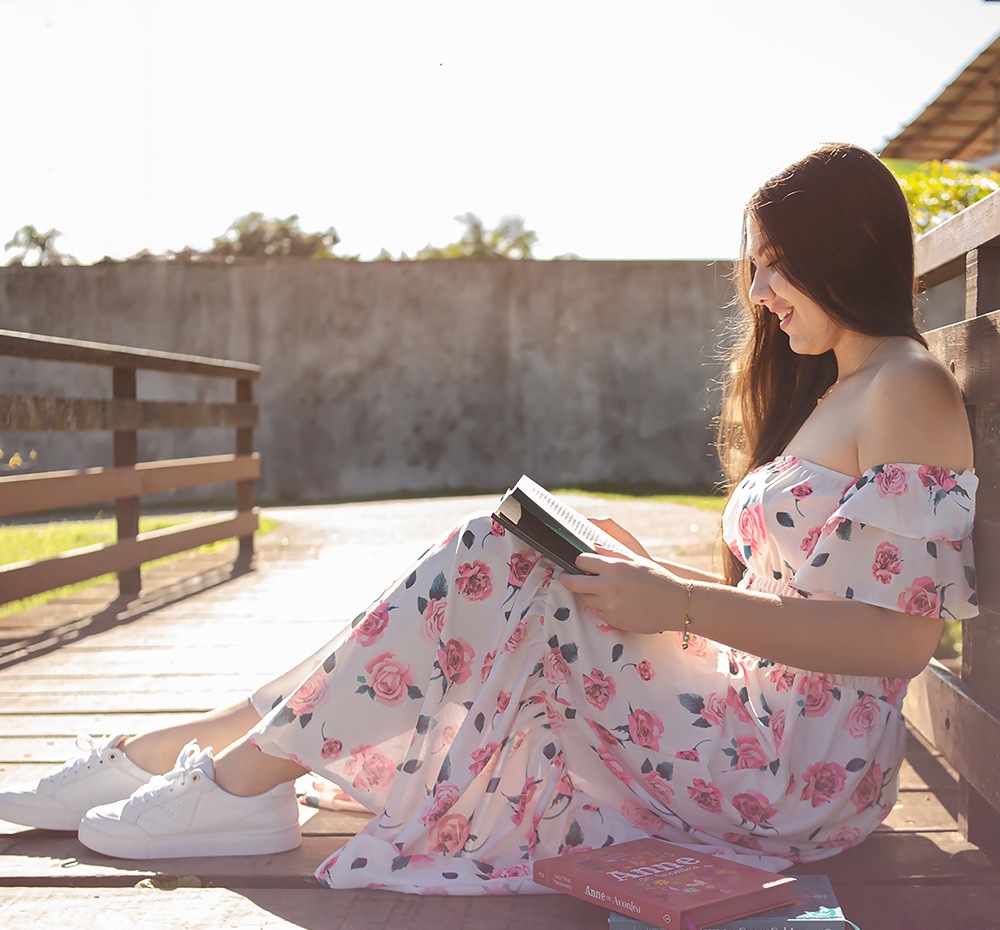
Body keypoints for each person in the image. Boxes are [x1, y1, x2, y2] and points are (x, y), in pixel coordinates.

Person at [0, 143, 977, 892]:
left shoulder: (907, 387)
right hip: (751, 720)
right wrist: (640, 573)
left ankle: (226, 778)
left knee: (484, 555)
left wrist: (674, 598)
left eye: (775, 265)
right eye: (756, 268)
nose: (758, 294)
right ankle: (198, 757)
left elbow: (898, 640)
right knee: (509, 545)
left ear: (842, 249)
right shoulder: (841, 391)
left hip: (797, 776)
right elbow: (797, 595)